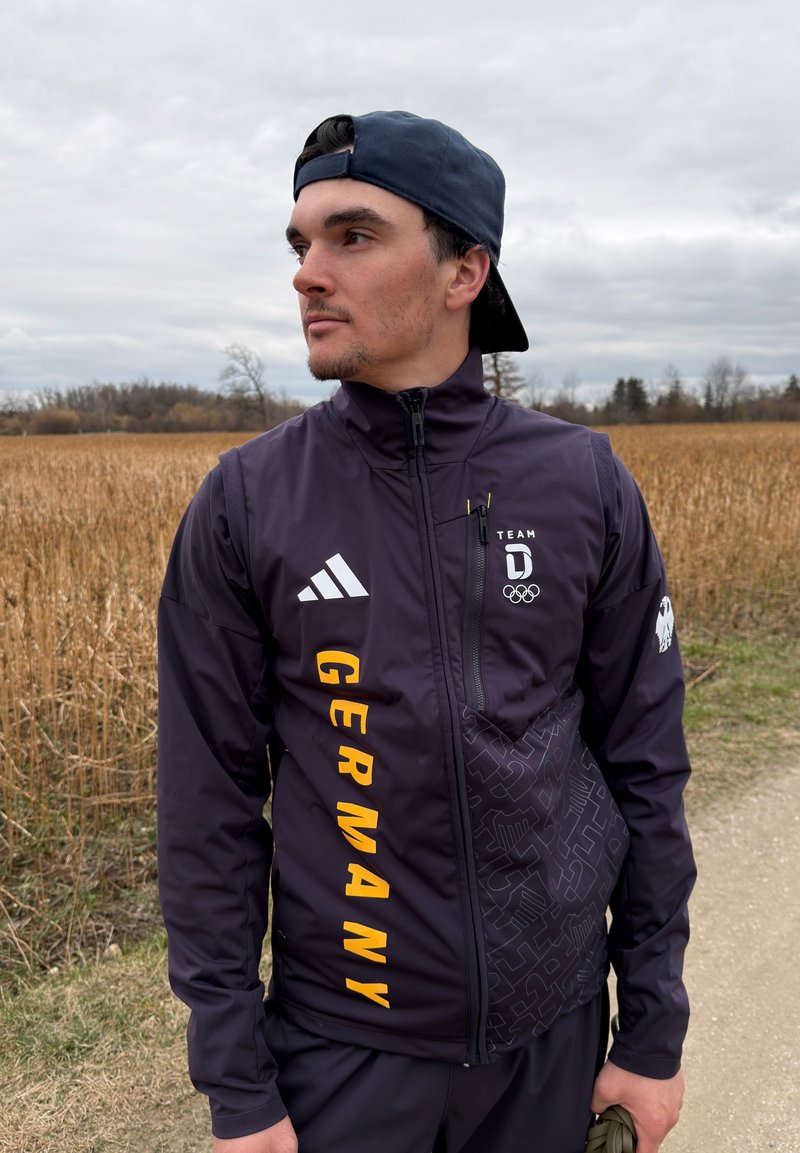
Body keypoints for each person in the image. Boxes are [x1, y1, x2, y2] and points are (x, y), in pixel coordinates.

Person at [157, 111, 695, 1153]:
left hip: (554, 1044)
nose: (309, 272)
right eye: (299, 243)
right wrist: (237, 1084)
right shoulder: (248, 501)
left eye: (351, 237)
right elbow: (207, 802)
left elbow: (643, 768)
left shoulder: (579, 482)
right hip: (343, 1059)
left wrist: (654, 1029)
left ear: (463, 272)